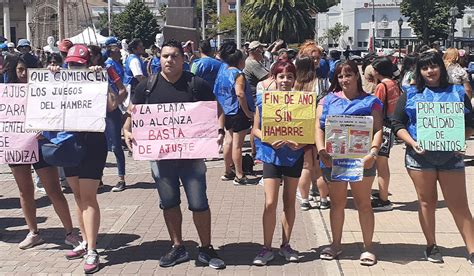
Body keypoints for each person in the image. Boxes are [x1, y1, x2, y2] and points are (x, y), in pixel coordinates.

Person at [123, 40, 226, 269]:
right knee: (168, 202)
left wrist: (219, 131)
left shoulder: (196, 84)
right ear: (159, 58)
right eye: (165, 56)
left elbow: (217, 110)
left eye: (175, 56)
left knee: (199, 203)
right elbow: (133, 113)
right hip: (161, 159)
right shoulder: (147, 86)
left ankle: (206, 248)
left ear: (183, 59)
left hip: (192, 158)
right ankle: (177, 247)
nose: (169, 60)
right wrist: (127, 129)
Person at [392, 51, 474, 265]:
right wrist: (412, 142)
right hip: (420, 158)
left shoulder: (457, 92)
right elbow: (397, 123)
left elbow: (470, 122)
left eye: (434, 66)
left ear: (441, 67)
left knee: (459, 204)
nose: (430, 71)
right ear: (419, 71)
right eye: (425, 67)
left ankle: (472, 249)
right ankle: (431, 245)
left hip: (451, 156)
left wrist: (460, 139)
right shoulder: (410, 93)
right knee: (427, 202)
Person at [48, 44, 119, 273]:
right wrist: (50, 77)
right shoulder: (61, 79)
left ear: (88, 64)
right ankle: (86, 241)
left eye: (79, 64)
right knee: (78, 196)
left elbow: (111, 105)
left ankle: (92, 250)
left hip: (92, 143)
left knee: (88, 197)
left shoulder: (98, 79)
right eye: (70, 63)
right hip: (70, 142)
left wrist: (102, 80)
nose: (73, 68)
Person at [8, 56, 81, 250]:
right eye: (20, 70)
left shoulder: (46, 87)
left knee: (53, 190)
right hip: (17, 145)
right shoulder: (8, 92)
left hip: (41, 145)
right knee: (25, 191)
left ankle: (70, 232)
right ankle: (33, 232)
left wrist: (54, 74)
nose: (23, 74)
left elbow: (60, 104)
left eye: (26, 70)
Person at [316, 60, 383, 266]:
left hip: (361, 160)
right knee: (337, 204)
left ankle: (368, 247)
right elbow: (318, 128)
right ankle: (336, 244)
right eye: (340, 76)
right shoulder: (326, 101)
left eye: (348, 75)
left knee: (364, 203)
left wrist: (373, 152)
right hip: (334, 159)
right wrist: (320, 150)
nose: (344, 79)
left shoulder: (371, 101)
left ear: (357, 76)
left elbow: (379, 129)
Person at [251, 61, 304, 265]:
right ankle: (266, 247)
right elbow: (255, 128)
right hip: (271, 155)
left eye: (289, 76)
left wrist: (302, 142)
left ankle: (286, 244)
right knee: (270, 202)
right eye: (281, 76)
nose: (285, 80)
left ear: (294, 79)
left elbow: (308, 129)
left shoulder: (302, 101)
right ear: (274, 78)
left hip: (293, 156)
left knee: (289, 201)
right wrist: (268, 137)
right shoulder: (264, 100)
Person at [214, 42, 255, 185]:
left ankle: (227, 171)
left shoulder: (222, 73)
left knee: (228, 141)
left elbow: (217, 93)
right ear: (239, 61)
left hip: (226, 111)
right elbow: (240, 94)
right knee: (237, 145)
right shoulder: (238, 75)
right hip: (238, 111)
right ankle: (239, 175)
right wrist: (248, 112)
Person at [293, 55, 328, 211]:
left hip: (300, 128)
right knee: (319, 166)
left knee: (306, 167)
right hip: (318, 128)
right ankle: (324, 199)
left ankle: (305, 200)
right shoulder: (320, 83)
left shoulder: (294, 85)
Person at [92, 44, 129, 192]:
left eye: (91, 56)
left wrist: (115, 104)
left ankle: (121, 178)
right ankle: (98, 178)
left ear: (97, 57)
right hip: (95, 113)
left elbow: (123, 90)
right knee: (97, 146)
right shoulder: (83, 71)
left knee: (115, 146)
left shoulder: (107, 69)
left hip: (110, 113)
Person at [371, 57, 402, 211]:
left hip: (383, 127)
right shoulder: (394, 83)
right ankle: (382, 193)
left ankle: (383, 200)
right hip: (392, 125)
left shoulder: (382, 86)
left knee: (381, 164)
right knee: (383, 162)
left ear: (377, 71)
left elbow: (376, 108)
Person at [123, 38, 146, 107]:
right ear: (134, 49)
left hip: (132, 91)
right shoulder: (134, 60)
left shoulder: (133, 58)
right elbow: (139, 77)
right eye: (140, 46)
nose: (143, 48)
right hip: (133, 93)